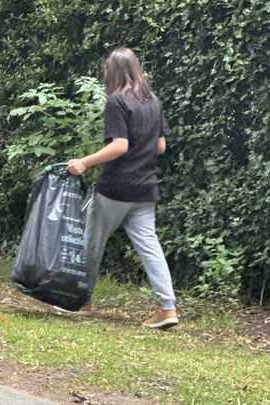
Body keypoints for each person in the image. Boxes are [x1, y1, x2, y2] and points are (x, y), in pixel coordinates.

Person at [67, 47, 178, 329]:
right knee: (150, 246)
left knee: (92, 242)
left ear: (111, 73)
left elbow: (119, 145)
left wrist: (85, 162)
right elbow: (162, 146)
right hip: (145, 189)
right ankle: (167, 309)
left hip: (115, 188)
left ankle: (82, 300)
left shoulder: (117, 101)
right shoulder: (152, 100)